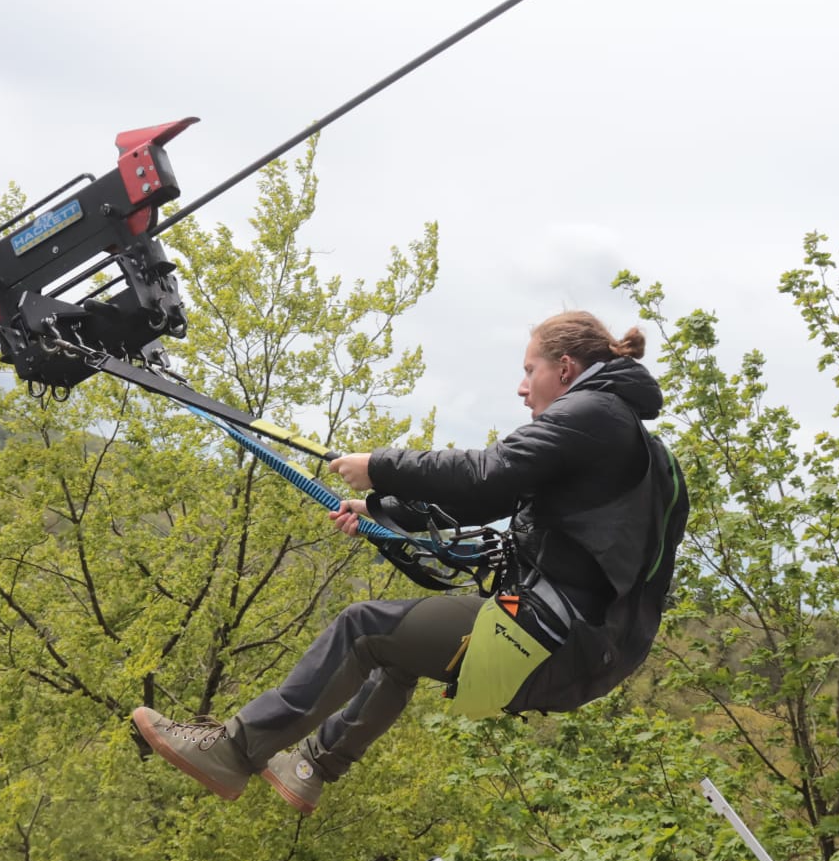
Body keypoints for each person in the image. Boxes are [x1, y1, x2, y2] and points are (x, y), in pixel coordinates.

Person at [132, 309, 686, 814]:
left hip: (555, 640)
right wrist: (378, 507)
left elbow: (489, 475)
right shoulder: (623, 434)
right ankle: (310, 764)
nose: (521, 388)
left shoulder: (593, 413)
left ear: (565, 368)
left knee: (363, 627)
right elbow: (494, 499)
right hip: (580, 648)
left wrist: (382, 465)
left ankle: (233, 749)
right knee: (396, 649)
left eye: (530, 369)